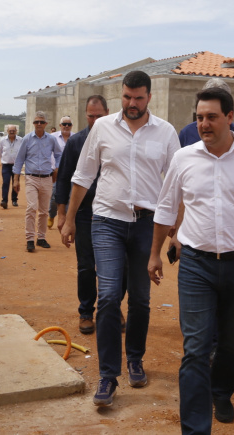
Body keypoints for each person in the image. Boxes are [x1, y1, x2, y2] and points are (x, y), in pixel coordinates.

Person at [148, 86, 234, 432]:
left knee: (232, 344)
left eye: (211, 117)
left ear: (230, 118)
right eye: (199, 117)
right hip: (195, 264)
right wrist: (154, 255)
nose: (204, 124)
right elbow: (165, 208)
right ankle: (195, 428)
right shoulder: (184, 158)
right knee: (195, 348)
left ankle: (221, 391)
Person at [62, 70, 181, 407]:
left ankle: (135, 359)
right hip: (106, 222)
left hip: (147, 225)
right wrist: (70, 218)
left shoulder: (166, 133)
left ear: (149, 97)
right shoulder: (102, 128)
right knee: (111, 296)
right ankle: (108, 376)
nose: (132, 104)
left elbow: (176, 185)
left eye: (138, 98)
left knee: (141, 299)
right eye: (127, 97)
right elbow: (83, 175)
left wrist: (176, 232)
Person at [56, 98, 109, 335]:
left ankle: (112, 310)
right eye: (90, 116)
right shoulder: (76, 142)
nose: (95, 120)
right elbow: (65, 178)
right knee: (86, 266)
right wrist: (63, 215)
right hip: (84, 214)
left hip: (111, 213)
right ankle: (86, 312)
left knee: (115, 267)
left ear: (108, 113)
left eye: (99, 116)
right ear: (85, 116)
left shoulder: (116, 140)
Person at [13, 112, 62, 252]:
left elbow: (58, 155)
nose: (39, 124)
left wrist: (57, 169)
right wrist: (16, 180)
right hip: (31, 178)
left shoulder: (51, 140)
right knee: (32, 207)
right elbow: (19, 160)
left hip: (47, 178)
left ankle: (41, 238)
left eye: (41, 122)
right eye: (36, 122)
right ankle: (30, 239)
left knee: (44, 211)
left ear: (46, 124)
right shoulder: (27, 139)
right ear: (33, 124)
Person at [177, 79, 234, 147]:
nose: (205, 125)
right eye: (200, 117)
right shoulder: (186, 133)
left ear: (229, 116)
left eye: (212, 117)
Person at [48, 116, 73, 228]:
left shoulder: (75, 138)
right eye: (64, 124)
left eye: (69, 124)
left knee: (70, 196)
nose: (66, 126)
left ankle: (66, 220)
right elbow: (49, 154)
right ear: (60, 125)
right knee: (54, 197)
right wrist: (53, 169)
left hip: (72, 173)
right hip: (57, 172)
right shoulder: (52, 137)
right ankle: (52, 215)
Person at [0, 124, 22, 209]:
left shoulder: (20, 140)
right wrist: (4, 160)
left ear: (16, 131)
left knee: (15, 183)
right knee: (5, 182)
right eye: (10, 131)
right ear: (7, 131)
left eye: (13, 131)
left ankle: (14, 200)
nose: (12, 132)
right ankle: (4, 201)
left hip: (16, 165)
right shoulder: (2, 140)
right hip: (6, 165)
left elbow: (22, 152)